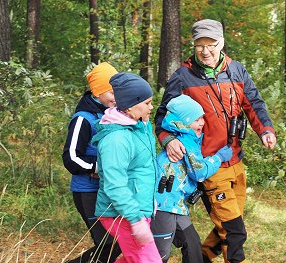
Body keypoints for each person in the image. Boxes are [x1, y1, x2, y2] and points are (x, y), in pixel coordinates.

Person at [154, 19, 277, 263]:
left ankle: (202, 257)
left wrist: (265, 130)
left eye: (211, 44)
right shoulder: (183, 77)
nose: (206, 51)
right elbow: (162, 116)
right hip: (207, 163)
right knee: (233, 231)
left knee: (232, 221)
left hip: (235, 159)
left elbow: (253, 103)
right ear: (194, 46)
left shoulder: (236, 70)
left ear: (221, 43)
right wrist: (168, 140)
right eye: (200, 45)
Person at [151, 94, 233, 262]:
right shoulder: (186, 142)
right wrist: (219, 157)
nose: (202, 123)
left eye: (202, 118)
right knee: (160, 254)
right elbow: (199, 172)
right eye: (196, 120)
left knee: (193, 244)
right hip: (162, 205)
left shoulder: (188, 139)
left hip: (176, 204)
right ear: (184, 122)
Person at [92, 72, 162, 263]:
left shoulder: (139, 126)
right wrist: (135, 219)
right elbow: (114, 185)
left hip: (139, 209)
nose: (151, 107)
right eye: (147, 103)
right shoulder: (116, 140)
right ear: (130, 106)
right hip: (122, 214)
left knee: (132, 258)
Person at [62, 62, 121, 263]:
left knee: (113, 245)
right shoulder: (83, 119)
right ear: (97, 92)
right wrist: (96, 168)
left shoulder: (113, 115)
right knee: (108, 245)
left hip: (109, 190)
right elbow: (70, 158)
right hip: (87, 192)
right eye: (111, 91)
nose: (116, 96)